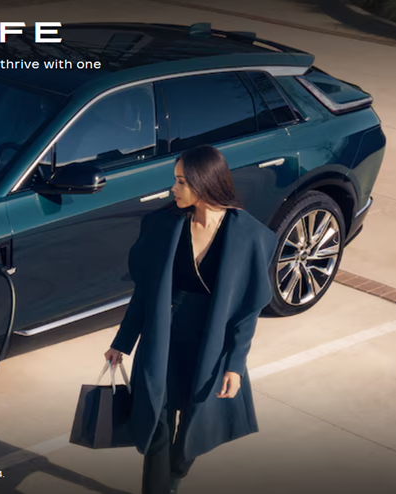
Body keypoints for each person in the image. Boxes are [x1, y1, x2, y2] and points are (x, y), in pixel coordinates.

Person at [103, 144, 278, 494]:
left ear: (204, 183)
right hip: (162, 337)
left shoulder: (248, 236)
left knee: (195, 427)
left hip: (209, 342)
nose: (173, 189)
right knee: (156, 424)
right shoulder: (163, 225)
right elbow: (146, 293)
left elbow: (247, 310)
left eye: (181, 182)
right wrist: (122, 342)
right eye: (175, 181)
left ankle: (175, 476)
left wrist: (234, 364)